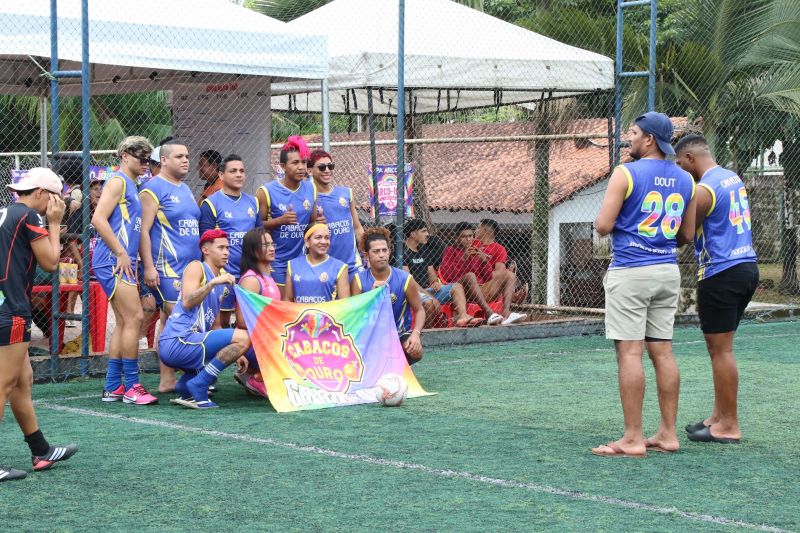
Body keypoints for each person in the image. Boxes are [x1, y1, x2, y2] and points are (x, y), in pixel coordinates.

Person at [592, 112, 696, 457]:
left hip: (632, 271)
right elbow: (686, 235)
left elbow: (603, 225)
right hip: (667, 271)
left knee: (630, 352)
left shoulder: (625, 173)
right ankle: (668, 434)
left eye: (634, 133)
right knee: (662, 351)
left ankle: (633, 438)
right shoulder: (686, 179)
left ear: (649, 139)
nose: (629, 138)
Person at [674, 134, 759, 444]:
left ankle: (730, 425)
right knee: (719, 350)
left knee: (721, 351)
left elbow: (683, 234)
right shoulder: (730, 178)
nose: (680, 168)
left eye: (680, 162)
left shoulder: (703, 190)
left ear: (690, 158)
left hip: (720, 272)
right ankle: (718, 417)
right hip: (746, 267)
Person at [0, 168, 77, 482]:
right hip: (11, 308)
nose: (58, 204)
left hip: (3, 304)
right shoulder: (30, 216)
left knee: (22, 380)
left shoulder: (7, 212)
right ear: (44, 194)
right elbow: (50, 261)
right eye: (57, 198)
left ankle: (41, 449)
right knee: (4, 384)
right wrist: (55, 223)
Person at [91, 136, 158, 405]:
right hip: (113, 260)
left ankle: (112, 386)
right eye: (141, 158)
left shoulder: (131, 183)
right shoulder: (118, 181)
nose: (145, 163)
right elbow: (98, 219)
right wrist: (120, 252)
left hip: (119, 260)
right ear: (124, 156)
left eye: (147, 159)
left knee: (124, 322)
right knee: (134, 318)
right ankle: (131, 386)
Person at [159, 229, 251, 409]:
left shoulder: (221, 279)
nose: (226, 252)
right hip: (179, 341)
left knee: (239, 342)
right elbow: (187, 301)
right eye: (221, 247)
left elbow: (215, 325)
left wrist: (237, 350)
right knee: (244, 336)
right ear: (205, 250)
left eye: (228, 248)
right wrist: (212, 284)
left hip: (191, 343)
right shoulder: (197, 267)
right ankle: (199, 384)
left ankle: (185, 387)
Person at [139, 140, 201, 393]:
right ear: (163, 160)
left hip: (190, 268)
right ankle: (171, 376)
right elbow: (143, 230)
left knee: (171, 319)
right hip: (167, 268)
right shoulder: (152, 188)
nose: (185, 160)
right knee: (178, 318)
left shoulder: (185, 188)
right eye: (179, 156)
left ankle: (170, 379)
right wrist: (149, 267)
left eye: (187, 155)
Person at [256, 136, 323, 295]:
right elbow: (255, 227)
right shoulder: (266, 191)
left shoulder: (311, 189)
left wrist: (319, 224)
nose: (301, 167)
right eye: (295, 163)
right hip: (275, 261)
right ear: (283, 166)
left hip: (300, 261)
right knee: (280, 307)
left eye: (304, 162)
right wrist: (280, 221)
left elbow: (310, 226)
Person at [199, 154, 260, 326]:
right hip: (224, 275)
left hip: (248, 274)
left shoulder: (253, 202)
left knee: (247, 322)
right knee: (220, 324)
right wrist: (214, 275)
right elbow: (206, 245)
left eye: (242, 171)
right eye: (233, 171)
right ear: (221, 175)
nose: (239, 174)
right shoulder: (211, 204)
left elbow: (259, 239)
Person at [351, 227, 425, 364]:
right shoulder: (358, 281)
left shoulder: (405, 279)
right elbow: (356, 316)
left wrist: (416, 334)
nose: (381, 255)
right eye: (376, 251)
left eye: (384, 250)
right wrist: (372, 297)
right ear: (366, 255)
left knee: (415, 351)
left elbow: (419, 309)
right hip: (370, 335)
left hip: (398, 334)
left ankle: (400, 368)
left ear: (389, 252)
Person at [440, 222, 524, 325]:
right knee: (470, 276)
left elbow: (488, 277)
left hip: (481, 289)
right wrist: (463, 259)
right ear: (456, 238)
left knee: (509, 274)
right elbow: (448, 276)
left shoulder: (476, 250)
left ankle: (506, 314)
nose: (468, 239)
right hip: (461, 291)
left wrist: (484, 261)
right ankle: (489, 313)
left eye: (470, 236)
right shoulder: (450, 251)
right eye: (463, 237)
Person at [403, 218, 482, 327]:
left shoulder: (423, 250)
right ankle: (427, 333)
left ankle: (463, 317)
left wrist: (435, 282)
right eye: (424, 231)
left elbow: (431, 274)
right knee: (428, 303)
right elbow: (408, 282)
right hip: (411, 292)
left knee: (457, 287)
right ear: (413, 234)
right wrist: (429, 296)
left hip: (427, 291)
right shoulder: (402, 252)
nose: (427, 234)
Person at [234, 227, 281, 399]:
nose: (271, 248)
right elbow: (241, 320)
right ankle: (257, 378)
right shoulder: (251, 280)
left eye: (272, 244)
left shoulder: (268, 277)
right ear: (253, 250)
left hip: (269, 337)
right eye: (265, 245)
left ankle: (257, 374)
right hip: (257, 342)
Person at [308, 149, 364, 277]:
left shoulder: (346, 193)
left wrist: (367, 253)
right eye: (322, 167)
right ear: (310, 170)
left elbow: (357, 228)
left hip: (352, 265)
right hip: (325, 268)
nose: (327, 170)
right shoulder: (309, 199)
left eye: (330, 166)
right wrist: (314, 224)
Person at [285, 223, 349, 304]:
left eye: (327, 238)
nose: (323, 242)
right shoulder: (292, 265)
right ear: (307, 241)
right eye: (318, 237)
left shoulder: (340, 267)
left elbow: (344, 305)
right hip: (301, 316)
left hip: (326, 316)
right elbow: (288, 300)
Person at [476, 218, 529, 306]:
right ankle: (513, 297)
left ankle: (512, 296)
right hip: (471, 282)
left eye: (478, 228)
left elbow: (499, 272)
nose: (475, 231)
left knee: (506, 274)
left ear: (484, 230)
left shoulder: (499, 249)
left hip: (488, 284)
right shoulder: (473, 246)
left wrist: (485, 270)